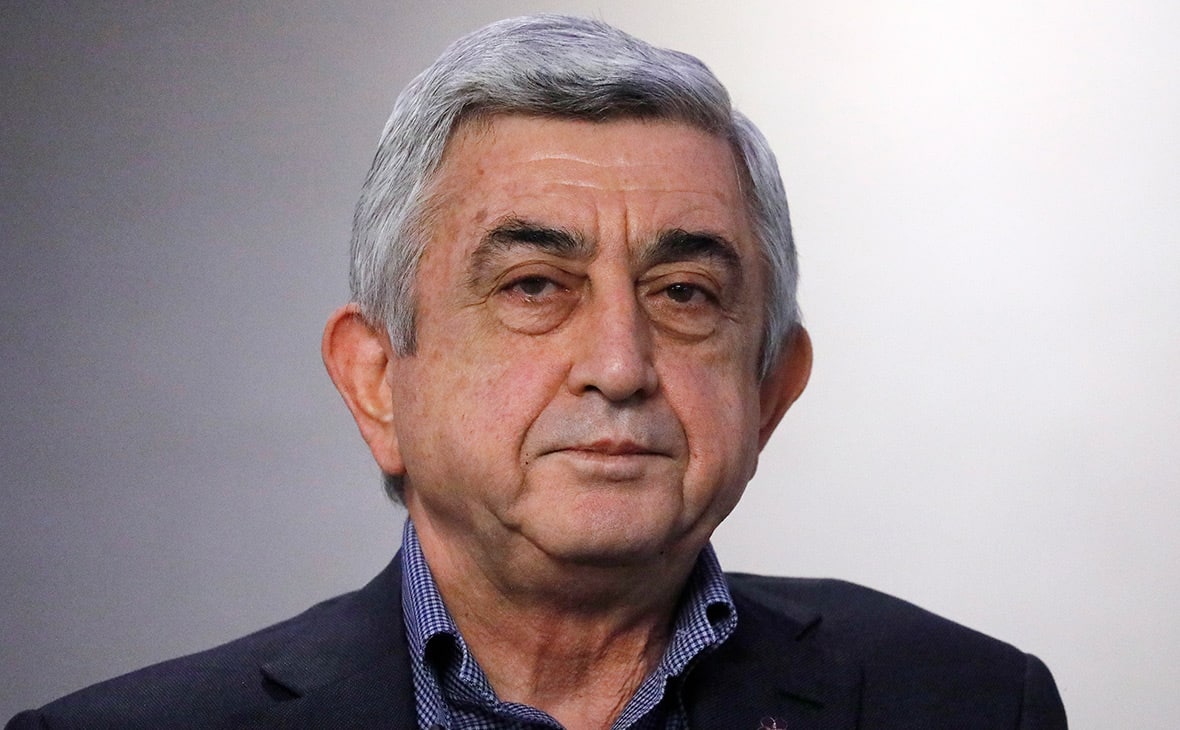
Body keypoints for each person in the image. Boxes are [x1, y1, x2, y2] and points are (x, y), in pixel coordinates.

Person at [6, 14, 1067, 730]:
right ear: (376, 381)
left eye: (684, 294)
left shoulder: (972, 704)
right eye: (533, 286)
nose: (619, 365)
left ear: (769, 389)